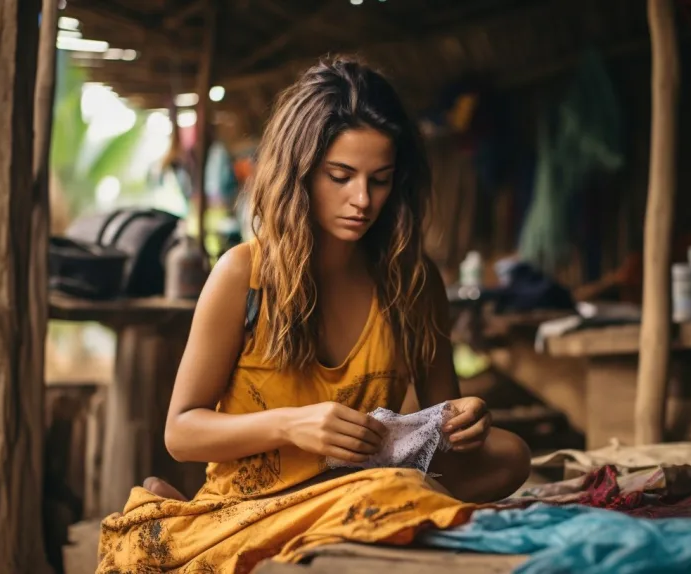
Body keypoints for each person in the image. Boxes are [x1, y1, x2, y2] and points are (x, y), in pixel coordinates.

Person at [97, 57, 530, 573]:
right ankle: (207, 524)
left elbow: (440, 419)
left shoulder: (413, 281)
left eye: (381, 180)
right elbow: (181, 433)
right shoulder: (244, 274)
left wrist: (465, 420)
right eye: (341, 176)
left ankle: (196, 525)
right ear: (299, 171)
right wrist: (292, 425)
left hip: (369, 484)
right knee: (400, 493)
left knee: (509, 454)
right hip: (256, 504)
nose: (362, 200)